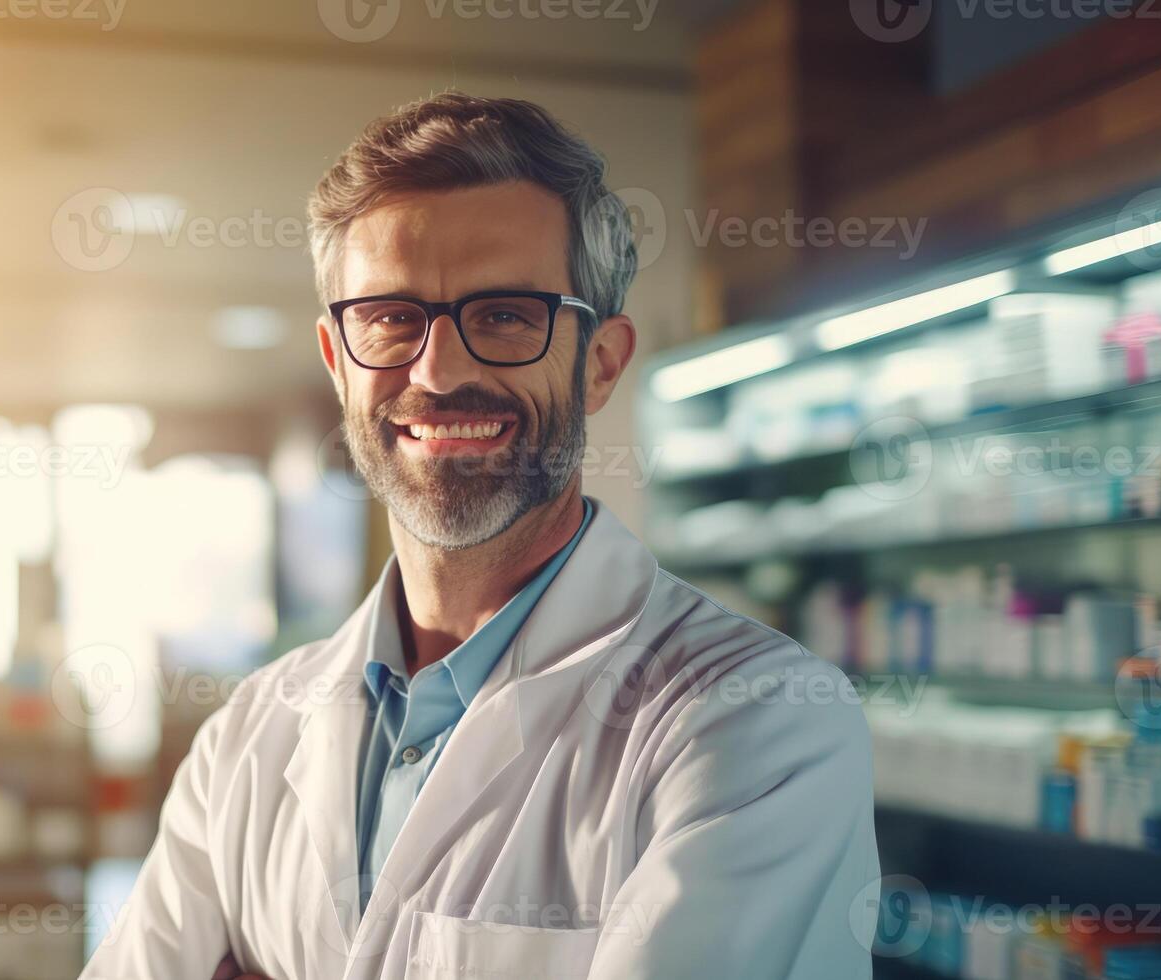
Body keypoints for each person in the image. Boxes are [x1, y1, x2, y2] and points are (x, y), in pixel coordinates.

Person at [81, 92, 879, 979]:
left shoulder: (752, 721)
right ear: (336, 360)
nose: (437, 368)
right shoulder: (249, 736)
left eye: (504, 315)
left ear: (601, 362)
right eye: (389, 318)